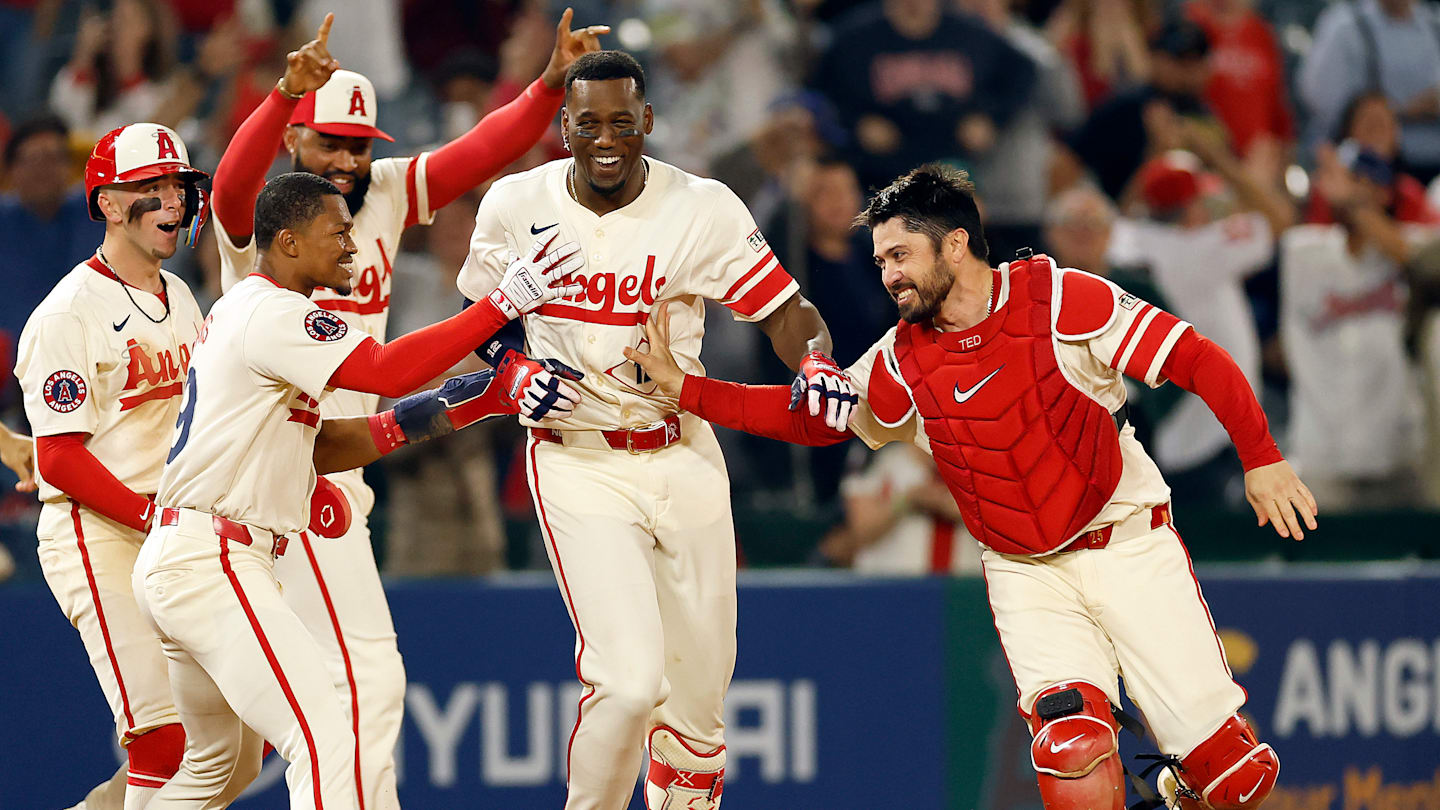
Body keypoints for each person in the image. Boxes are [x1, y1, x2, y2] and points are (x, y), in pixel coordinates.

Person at [628, 164, 1316, 810]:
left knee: (1237, 780)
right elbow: (812, 423)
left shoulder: (1060, 299)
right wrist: (686, 389)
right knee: (1072, 748)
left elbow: (1196, 358)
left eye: (900, 256)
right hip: (1026, 573)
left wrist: (1262, 458)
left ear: (955, 245)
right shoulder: (900, 360)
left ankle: (1182, 789)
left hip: (1127, 543)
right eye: (880, 262)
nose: (888, 274)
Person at [206, 12, 605, 805]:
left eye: (360, 145)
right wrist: (283, 93)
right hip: (277, 469)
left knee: (351, 694)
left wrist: (547, 87)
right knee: (351, 686)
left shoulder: (379, 194)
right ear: (295, 142)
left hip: (338, 464)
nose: (349, 161)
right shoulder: (274, 225)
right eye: (330, 143)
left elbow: (476, 154)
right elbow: (226, 188)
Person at [455, 50, 855, 810]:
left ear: (647, 123)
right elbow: (483, 320)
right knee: (630, 681)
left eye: (621, 121)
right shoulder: (513, 202)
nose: (605, 138)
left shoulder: (701, 205)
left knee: (699, 714)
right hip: (577, 457)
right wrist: (508, 373)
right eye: (587, 123)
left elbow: (783, 309)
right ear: (563, 127)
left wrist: (815, 360)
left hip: (684, 451)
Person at [133, 170, 580, 807]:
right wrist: (501, 305)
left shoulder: (248, 310)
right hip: (215, 560)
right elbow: (386, 369)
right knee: (328, 732)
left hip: (188, 556)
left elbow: (327, 446)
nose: (352, 245)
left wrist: (476, 400)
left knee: (215, 773)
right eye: (337, 231)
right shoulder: (274, 312)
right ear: (287, 242)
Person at [14, 122, 210, 809]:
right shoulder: (68, 313)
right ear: (105, 203)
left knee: (231, 748)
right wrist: (152, 516)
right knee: (163, 739)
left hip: (170, 528)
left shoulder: (182, 298)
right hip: (96, 532)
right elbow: (59, 459)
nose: (169, 204)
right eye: (147, 189)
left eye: (177, 188)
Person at [0, 115, 105, 409]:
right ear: (10, 170)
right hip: (14, 381)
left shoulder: (99, 215)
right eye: (32, 159)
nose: (43, 169)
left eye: (53, 157)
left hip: (94, 369)